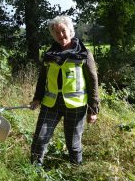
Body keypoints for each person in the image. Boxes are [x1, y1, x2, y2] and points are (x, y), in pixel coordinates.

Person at [30, 15, 99, 166]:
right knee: (39, 140)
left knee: (73, 144)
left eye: (63, 31)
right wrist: (37, 98)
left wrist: (93, 109)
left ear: (70, 30)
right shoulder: (49, 55)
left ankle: (76, 171)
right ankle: (33, 172)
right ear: (53, 35)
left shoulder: (84, 54)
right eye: (56, 33)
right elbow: (42, 79)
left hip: (76, 107)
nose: (60, 35)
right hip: (50, 105)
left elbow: (93, 82)